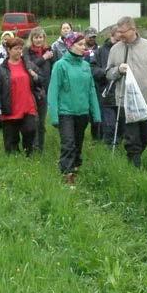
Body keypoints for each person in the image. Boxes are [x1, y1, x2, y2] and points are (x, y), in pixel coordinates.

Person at [105, 16, 147, 167]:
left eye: (123, 32)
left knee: (146, 137)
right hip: (125, 102)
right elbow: (108, 74)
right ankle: (134, 167)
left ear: (133, 30)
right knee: (132, 139)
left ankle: (133, 158)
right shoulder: (115, 49)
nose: (120, 35)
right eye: (118, 32)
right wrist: (118, 70)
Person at [47, 32, 101, 185]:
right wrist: (54, 116)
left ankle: (76, 167)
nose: (83, 47)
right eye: (80, 44)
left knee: (78, 143)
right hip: (66, 112)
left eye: (84, 44)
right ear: (70, 45)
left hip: (82, 112)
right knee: (68, 143)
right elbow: (53, 91)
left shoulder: (85, 66)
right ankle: (67, 174)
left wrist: (96, 114)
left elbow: (91, 90)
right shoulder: (60, 65)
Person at [0, 37, 40, 156]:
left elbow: (40, 80)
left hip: (28, 107)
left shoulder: (27, 65)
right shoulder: (1, 70)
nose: (19, 51)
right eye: (16, 49)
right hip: (10, 108)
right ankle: (14, 158)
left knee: (30, 130)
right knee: (11, 142)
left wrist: (36, 77)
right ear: (9, 50)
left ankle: (29, 153)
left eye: (20, 49)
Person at [23, 27, 54, 152]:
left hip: (45, 89)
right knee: (32, 120)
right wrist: (44, 58)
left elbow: (55, 67)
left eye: (41, 37)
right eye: (36, 37)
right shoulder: (26, 51)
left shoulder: (49, 50)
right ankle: (31, 145)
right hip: (31, 88)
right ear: (32, 39)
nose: (38, 40)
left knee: (41, 121)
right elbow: (29, 66)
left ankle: (39, 147)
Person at [92, 26, 124, 147]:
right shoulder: (100, 52)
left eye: (121, 41)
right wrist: (106, 73)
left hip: (123, 95)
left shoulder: (126, 49)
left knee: (122, 126)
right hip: (107, 94)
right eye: (116, 41)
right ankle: (108, 147)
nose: (118, 44)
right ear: (111, 37)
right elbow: (93, 69)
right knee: (109, 125)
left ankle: (120, 146)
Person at [83, 27, 104, 141]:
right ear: (85, 36)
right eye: (90, 36)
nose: (92, 38)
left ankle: (96, 137)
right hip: (82, 83)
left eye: (94, 36)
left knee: (96, 109)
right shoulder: (79, 48)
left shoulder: (99, 49)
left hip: (96, 84)